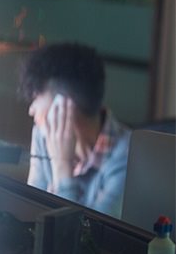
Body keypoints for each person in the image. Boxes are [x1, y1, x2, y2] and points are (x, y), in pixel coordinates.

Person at [20, 42, 131, 217]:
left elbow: (88, 241)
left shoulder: (128, 161)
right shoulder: (43, 134)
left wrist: (62, 166)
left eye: (37, 96)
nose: (31, 109)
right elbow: (30, 213)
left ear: (64, 105)